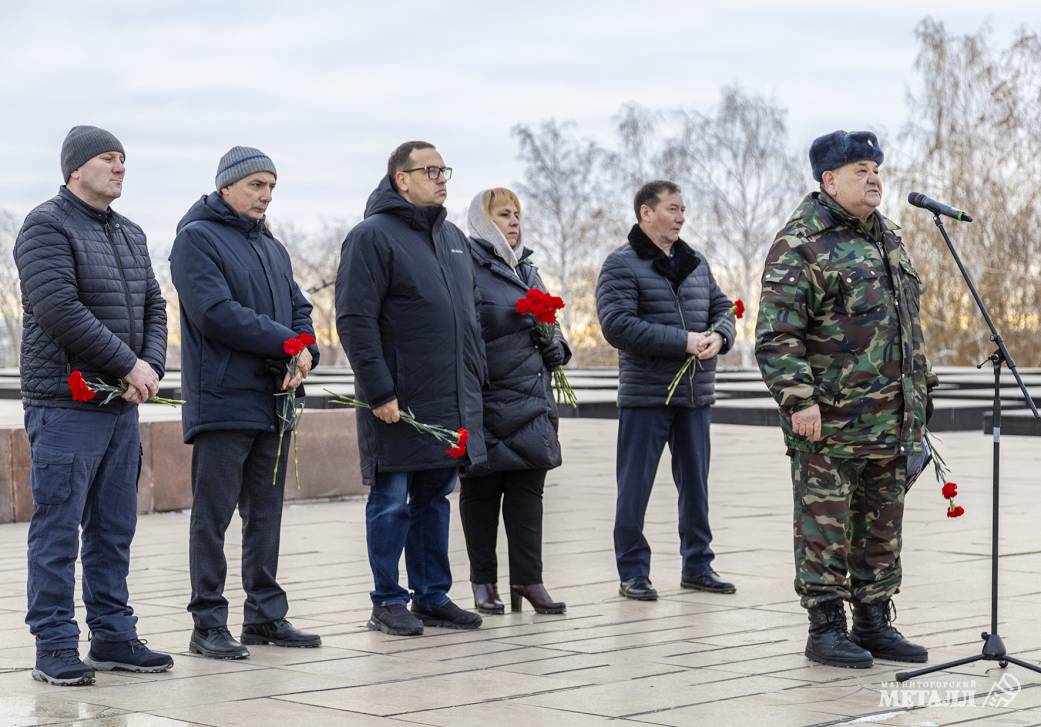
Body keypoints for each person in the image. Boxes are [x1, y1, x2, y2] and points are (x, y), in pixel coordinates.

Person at [755, 130, 936, 669]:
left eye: (876, 167)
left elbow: (908, 326)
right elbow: (777, 334)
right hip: (829, 419)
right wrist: (798, 400)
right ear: (828, 180)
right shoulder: (800, 242)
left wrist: (919, 396)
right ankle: (825, 628)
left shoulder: (890, 238)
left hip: (890, 417)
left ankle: (874, 621)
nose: (874, 177)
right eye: (860, 169)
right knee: (825, 526)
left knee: (881, 525)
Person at [14, 125, 173, 685]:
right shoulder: (44, 225)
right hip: (66, 404)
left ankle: (112, 635)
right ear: (76, 168)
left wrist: (149, 367)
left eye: (124, 158)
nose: (120, 167)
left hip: (121, 406)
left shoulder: (130, 233)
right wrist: (126, 366)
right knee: (58, 529)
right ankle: (54, 644)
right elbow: (58, 307)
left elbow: (156, 304)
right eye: (108, 158)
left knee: (113, 527)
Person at [170, 146, 321, 659]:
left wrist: (306, 351)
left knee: (266, 513)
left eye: (272, 186)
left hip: (272, 401)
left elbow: (300, 308)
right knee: (212, 516)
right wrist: (287, 344)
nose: (266, 196)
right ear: (226, 186)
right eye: (257, 185)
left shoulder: (271, 245)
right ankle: (207, 623)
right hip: (222, 400)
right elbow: (216, 313)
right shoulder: (196, 240)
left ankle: (265, 616)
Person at [336, 141, 487, 636]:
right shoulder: (371, 237)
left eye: (445, 169)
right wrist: (380, 392)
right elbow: (355, 321)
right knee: (391, 499)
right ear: (402, 179)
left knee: (434, 500)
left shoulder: (453, 239)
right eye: (430, 170)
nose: (442, 178)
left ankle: (432, 595)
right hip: (398, 402)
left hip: (448, 400)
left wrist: (474, 383)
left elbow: (469, 318)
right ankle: (386, 600)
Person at [596, 180, 737, 602]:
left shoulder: (695, 262)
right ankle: (633, 571)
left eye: (682, 210)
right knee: (634, 486)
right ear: (646, 213)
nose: (680, 217)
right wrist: (683, 341)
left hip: (695, 395)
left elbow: (722, 308)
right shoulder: (620, 264)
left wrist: (719, 336)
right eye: (672, 208)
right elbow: (617, 325)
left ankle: (698, 565)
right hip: (646, 396)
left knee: (696, 484)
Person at [459, 188, 570, 616]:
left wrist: (556, 343)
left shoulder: (527, 268)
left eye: (517, 215)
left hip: (531, 402)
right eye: (504, 215)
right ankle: (483, 583)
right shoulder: (466, 265)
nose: (513, 223)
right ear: (484, 221)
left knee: (528, 497)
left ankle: (529, 579)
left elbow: (554, 325)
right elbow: (467, 329)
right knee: (481, 496)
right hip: (488, 399)